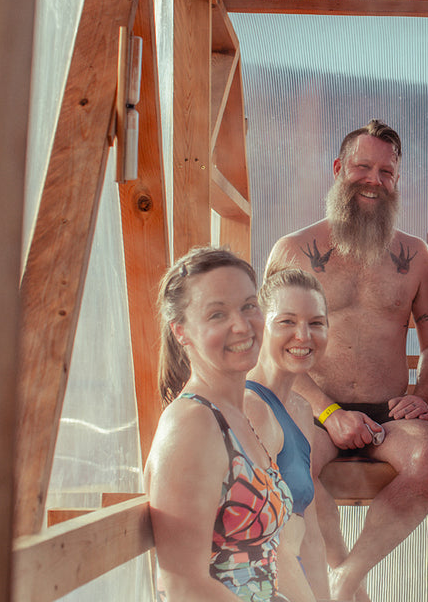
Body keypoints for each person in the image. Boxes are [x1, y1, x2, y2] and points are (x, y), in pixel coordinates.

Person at [267, 120, 428, 602]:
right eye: (362, 167)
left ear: (396, 180)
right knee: (290, 462)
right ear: (338, 169)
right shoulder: (293, 251)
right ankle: (340, 577)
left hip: (387, 413)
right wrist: (329, 412)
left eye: (386, 171)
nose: (374, 179)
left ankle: (347, 578)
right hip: (314, 411)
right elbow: (273, 347)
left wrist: (421, 398)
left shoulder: (415, 255)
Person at [145, 247, 294, 601]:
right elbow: (184, 586)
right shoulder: (190, 426)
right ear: (181, 331)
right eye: (216, 314)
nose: (242, 326)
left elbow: (274, 559)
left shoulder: (247, 416)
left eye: (248, 306)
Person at [244, 267, 333, 600]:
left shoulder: (299, 410)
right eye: (287, 322)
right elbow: (263, 539)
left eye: (316, 323)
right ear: (260, 325)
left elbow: (309, 535)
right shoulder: (249, 406)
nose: (303, 336)